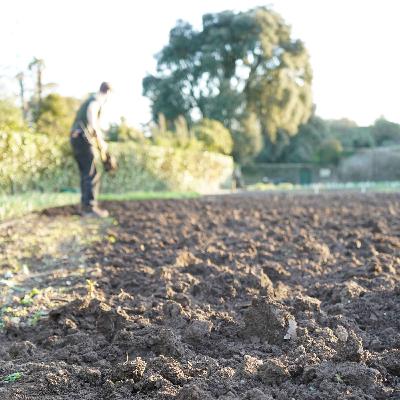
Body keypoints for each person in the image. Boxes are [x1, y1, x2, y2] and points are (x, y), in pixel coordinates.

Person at [70, 82, 112, 218]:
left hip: (76, 138)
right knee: (92, 173)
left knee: (86, 173)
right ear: (107, 93)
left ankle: (85, 207)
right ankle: (90, 209)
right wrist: (102, 144)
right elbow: (92, 120)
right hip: (83, 138)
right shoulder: (95, 101)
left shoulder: (89, 100)